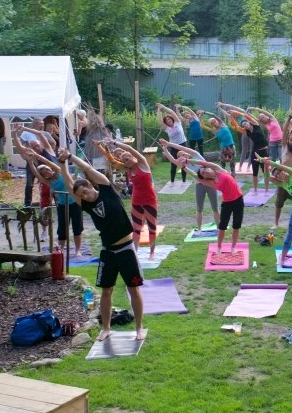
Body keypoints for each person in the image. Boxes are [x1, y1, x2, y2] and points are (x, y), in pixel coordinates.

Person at [57, 150, 146, 342]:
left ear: (90, 185)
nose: (85, 196)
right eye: (81, 195)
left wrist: (70, 157)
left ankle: (139, 327)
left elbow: (87, 168)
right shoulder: (86, 204)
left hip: (126, 249)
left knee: (133, 289)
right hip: (108, 251)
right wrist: (62, 164)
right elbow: (69, 185)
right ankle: (106, 328)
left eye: (85, 191)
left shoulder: (106, 189)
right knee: (106, 290)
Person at [109, 140, 158, 257]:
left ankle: (152, 253)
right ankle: (135, 251)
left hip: (150, 201)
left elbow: (129, 149)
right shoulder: (128, 169)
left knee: (152, 228)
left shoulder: (143, 164)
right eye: (124, 161)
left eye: (127, 159)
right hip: (136, 202)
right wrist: (104, 148)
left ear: (132, 157)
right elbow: (112, 161)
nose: (126, 162)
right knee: (136, 228)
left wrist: (114, 143)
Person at [161, 141, 219, 229]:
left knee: (215, 207)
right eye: (181, 156)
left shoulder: (196, 155)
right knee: (199, 209)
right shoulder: (184, 165)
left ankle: (219, 227)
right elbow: (172, 159)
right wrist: (165, 149)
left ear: (187, 153)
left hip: (211, 183)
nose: (183, 156)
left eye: (184, 154)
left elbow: (182, 148)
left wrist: (169, 144)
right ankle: (199, 229)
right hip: (200, 185)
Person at [192, 160, 244, 252]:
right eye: (203, 173)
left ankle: (233, 247)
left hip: (238, 200)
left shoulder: (218, 169)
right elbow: (195, 176)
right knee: (222, 227)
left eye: (204, 169)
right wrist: (183, 167)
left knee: (236, 226)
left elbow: (202, 162)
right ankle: (219, 247)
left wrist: (187, 160)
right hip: (227, 203)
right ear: (204, 177)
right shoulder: (210, 182)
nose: (205, 171)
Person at [156, 104, 188, 183]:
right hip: (173, 146)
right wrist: (159, 110)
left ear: (172, 119)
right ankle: (172, 181)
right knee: (173, 164)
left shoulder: (178, 122)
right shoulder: (166, 128)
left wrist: (163, 107)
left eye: (169, 119)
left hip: (182, 145)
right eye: (166, 120)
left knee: (183, 163)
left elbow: (171, 112)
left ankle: (184, 181)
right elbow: (159, 120)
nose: (168, 121)